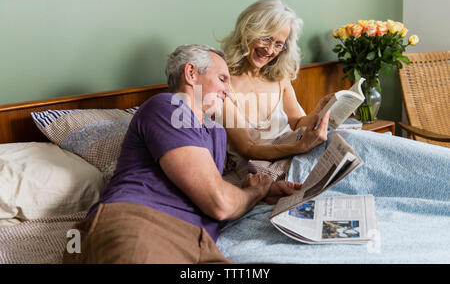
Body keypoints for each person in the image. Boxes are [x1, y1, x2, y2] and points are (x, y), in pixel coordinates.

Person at [62, 44, 301, 264]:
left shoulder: (216, 132)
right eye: (222, 79)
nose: (229, 91)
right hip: (142, 222)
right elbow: (220, 203)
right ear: (191, 73)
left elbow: (205, 190)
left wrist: (258, 191)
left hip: (200, 242)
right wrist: (255, 191)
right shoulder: (168, 106)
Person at [219, 0, 332, 182]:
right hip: (257, 167)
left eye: (279, 44)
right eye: (266, 38)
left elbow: (296, 122)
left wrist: (320, 110)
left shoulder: (280, 77)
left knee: (348, 138)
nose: (270, 50)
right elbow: (247, 149)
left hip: (293, 149)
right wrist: (300, 147)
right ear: (247, 31)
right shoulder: (223, 83)